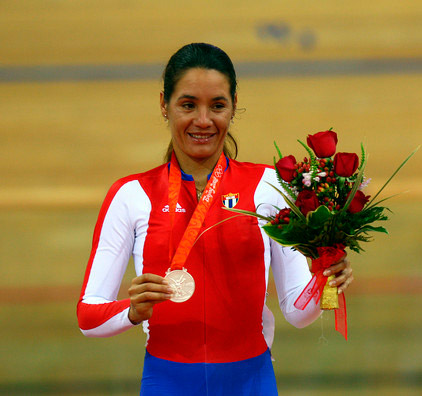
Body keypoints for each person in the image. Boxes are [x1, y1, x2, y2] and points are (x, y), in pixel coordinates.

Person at [77, 43, 353, 396]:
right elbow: (88, 316)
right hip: (168, 383)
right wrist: (131, 311)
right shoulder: (131, 195)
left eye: (218, 106)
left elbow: (298, 314)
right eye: (188, 105)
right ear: (164, 104)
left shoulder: (269, 187)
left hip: (251, 382)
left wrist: (326, 277)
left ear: (234, 106)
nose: (203, 121)